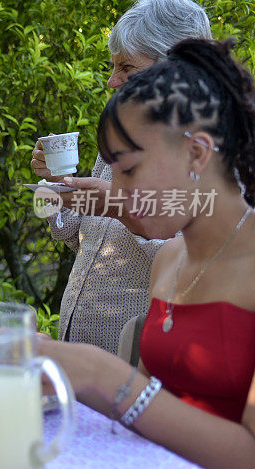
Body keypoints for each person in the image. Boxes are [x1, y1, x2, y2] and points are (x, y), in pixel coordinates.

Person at [39, 39, 255, 467]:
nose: (116, 194)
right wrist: (63, 369)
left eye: (129, 168)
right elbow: (158, 413)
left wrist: (102, 373)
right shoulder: (169, 260)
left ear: (197, 152)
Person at [30, 0, 213, 353]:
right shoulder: (123, 135)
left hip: (142, 364)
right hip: (82, 353)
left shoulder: (207, 154)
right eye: (113, 66)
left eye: (127, 67)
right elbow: (75, 236)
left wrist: (119, 206)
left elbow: (198, 264)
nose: (113, 81)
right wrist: (55, 188)